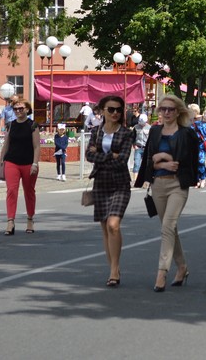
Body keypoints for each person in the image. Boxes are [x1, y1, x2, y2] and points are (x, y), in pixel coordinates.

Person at [134, 95, 202, 292]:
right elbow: (149, 159)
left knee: (167, 226)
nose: (166, 112)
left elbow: (184, 161)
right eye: (163, 109)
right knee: (168, 228)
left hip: (178, 185)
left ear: (178, 111)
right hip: (158, 185)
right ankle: (182, 267)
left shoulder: (186, 133)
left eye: (171, 109)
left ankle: (161, 272)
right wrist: (162, 161)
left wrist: (162, 156)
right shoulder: (155, 131)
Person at [86, 95, 133, 287]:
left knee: (114, 224)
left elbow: (122, 158)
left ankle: (114, 269)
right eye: (111, 109)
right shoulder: (96, 131)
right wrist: (109, 155)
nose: (115, 113)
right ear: (102, 110)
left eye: (118, 110)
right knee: (105, 227)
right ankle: (113, 266)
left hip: (120, 183)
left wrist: (101, 155)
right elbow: (89, 155)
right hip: (100, 182)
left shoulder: (127, 133)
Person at [0, 100, 40, 235]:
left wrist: (35, 163)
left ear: (27, 110)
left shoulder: (32, 125)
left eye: (21, 108)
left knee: (29, 191)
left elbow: (36, 146)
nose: (18, 111)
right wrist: (1, 161)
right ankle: (10, 221)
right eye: (15, 109)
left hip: (28, 162)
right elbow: (6, 144)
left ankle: (30, 219)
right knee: (11, 190)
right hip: (12, 162)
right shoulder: (10, 125)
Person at [188, 103, 206, 187]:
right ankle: (197, 179)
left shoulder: (204, 119)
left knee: (200, 161)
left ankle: (203, 178)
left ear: (195, 111)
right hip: (191, 144)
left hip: (202, 143)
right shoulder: (189, 120)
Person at [132, 113, 151, 180]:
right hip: (138, 147)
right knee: (137, 163)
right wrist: (134, 144)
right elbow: (133, 137)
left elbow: (151, 138)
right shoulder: (136, 127)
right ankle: (135, 180)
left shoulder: (149, 128)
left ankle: (145, 179)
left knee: (146, 164)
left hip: (147, 148)